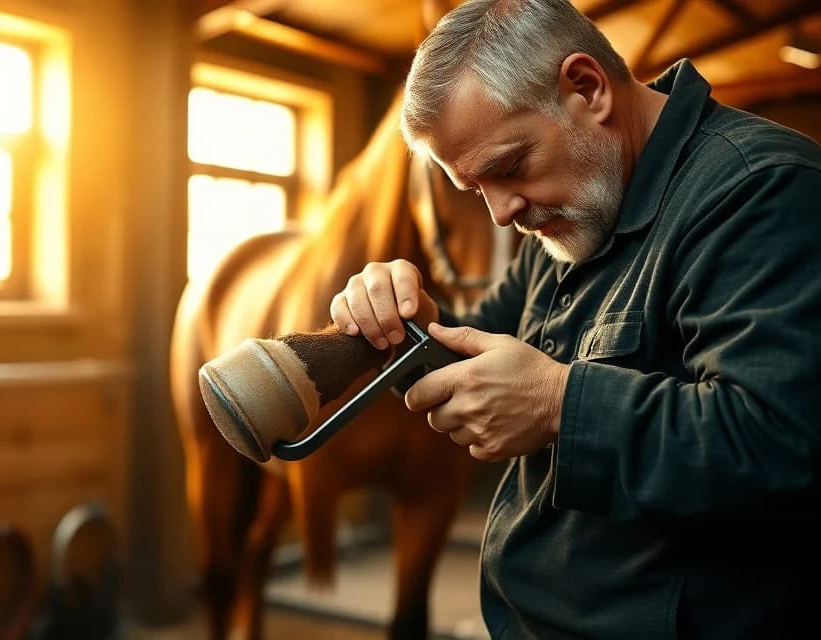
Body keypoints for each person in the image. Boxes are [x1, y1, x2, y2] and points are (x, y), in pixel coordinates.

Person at [329, 0, 821, 637]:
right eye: (476, 189)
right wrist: (409, 325)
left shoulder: (762, 190)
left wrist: (560, 404)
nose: (502, 214)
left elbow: (780, 446)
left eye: (508, 168)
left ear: (587, 89)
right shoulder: (574, 214)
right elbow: (480, 347)